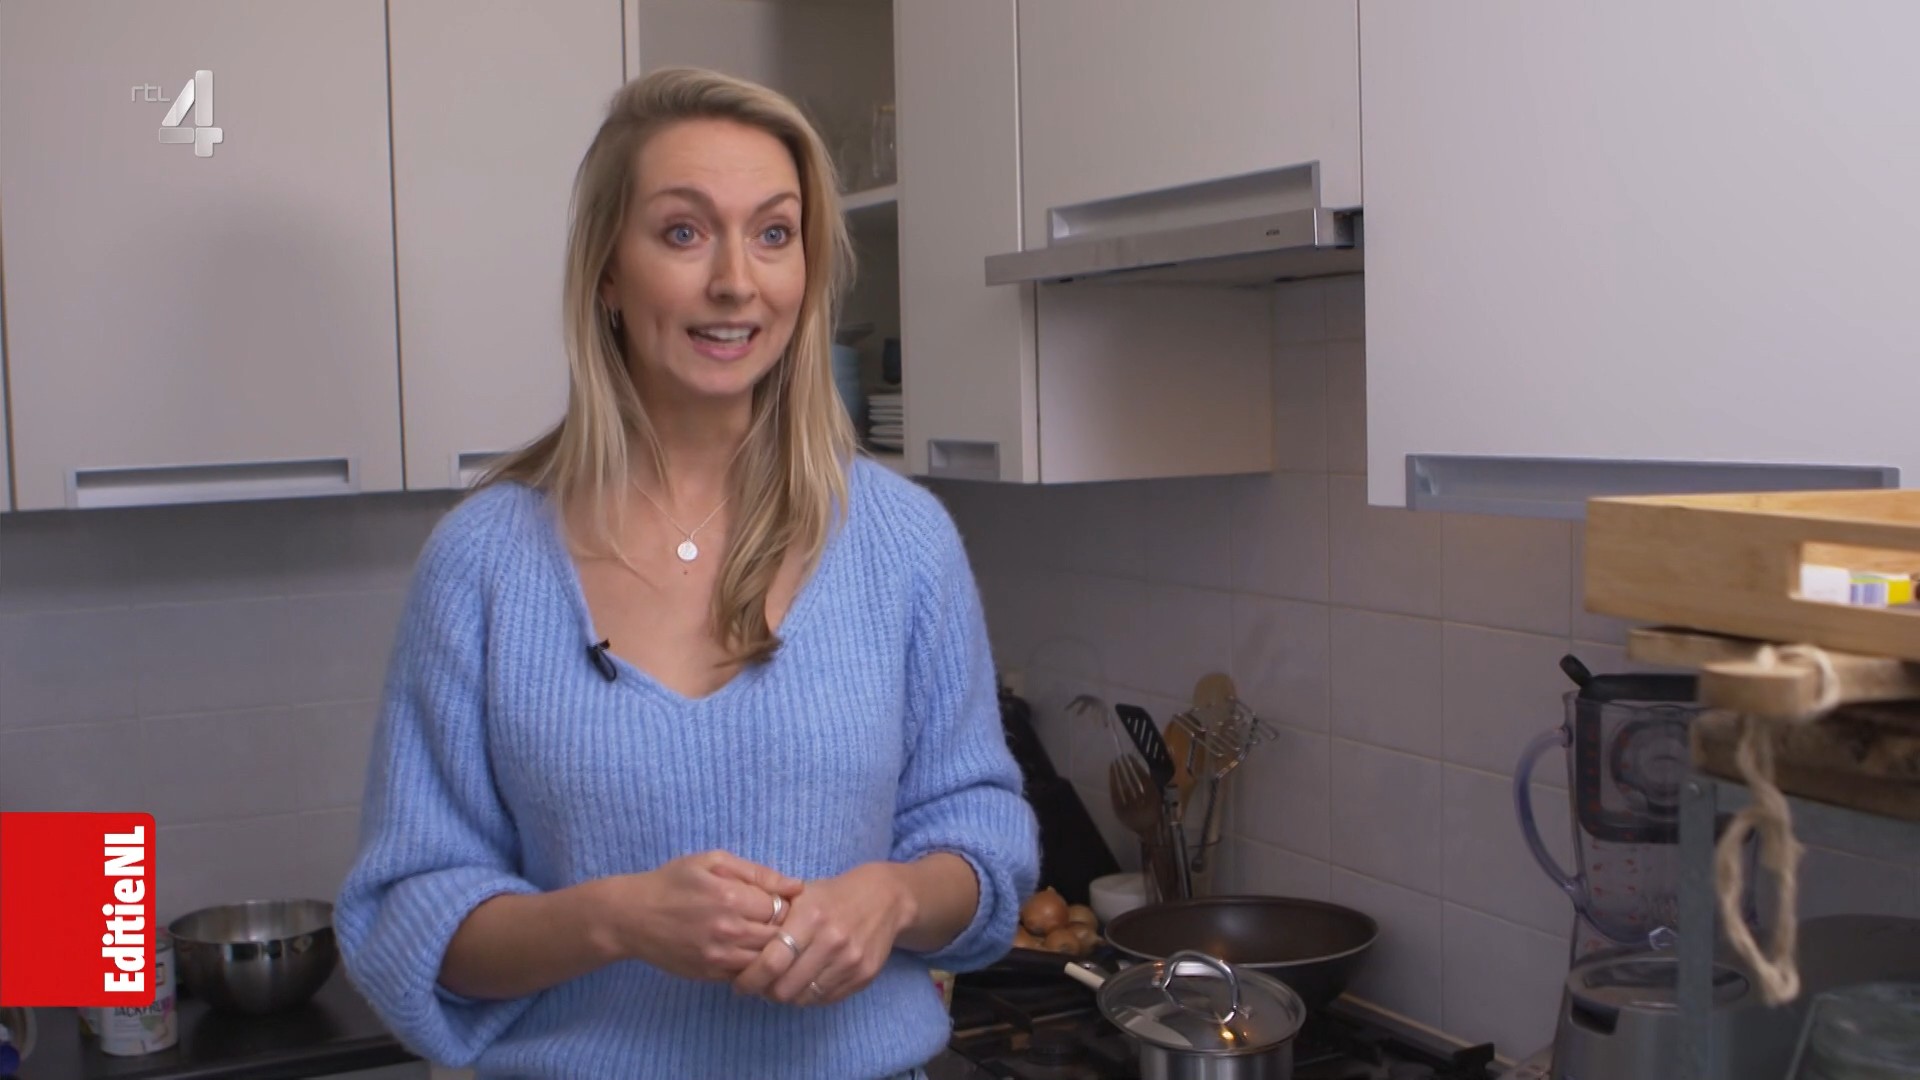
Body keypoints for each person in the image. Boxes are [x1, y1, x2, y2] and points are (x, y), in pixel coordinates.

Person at [333, 66, 1041, 1079]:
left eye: (774, 233)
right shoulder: (482, 562)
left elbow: (985, 843)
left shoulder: (904, 542)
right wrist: (615, 919)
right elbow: (412, 919)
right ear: (606, 273)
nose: (736, 282)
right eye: (683, 232)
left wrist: (890, 898)